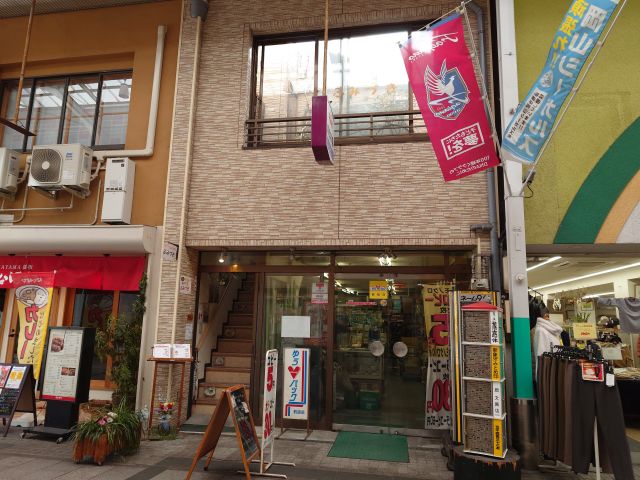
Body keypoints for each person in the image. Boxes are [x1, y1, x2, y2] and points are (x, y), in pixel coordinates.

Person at [532, 308, 563, 377]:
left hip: (552, 365)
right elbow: (541, 355)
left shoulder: (552, 329)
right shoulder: (542, 330)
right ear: (545, 315)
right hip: (548, 368)